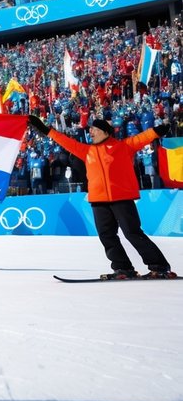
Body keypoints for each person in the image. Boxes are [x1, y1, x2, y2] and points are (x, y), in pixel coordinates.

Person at [30, 115, 176, 279]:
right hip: (99, 201)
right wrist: (44, 129)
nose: (90, 131)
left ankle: (160, 266)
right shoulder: (87, 151)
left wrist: (159, 130)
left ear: (105, 132)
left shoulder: (123, 147)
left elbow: (143, 138)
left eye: (94, 129)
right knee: (106, 236)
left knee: (133, 233)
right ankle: (123, 268)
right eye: (90, 128)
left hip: (121, 198)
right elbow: (64, 141)